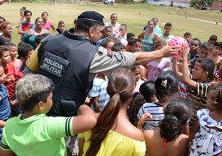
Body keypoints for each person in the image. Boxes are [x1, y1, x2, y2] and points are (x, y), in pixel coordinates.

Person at [25, 11, 178, 118]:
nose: (102, 35)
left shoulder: (48, 41)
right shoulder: (93, 54)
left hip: (33, 110)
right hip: (63, 117)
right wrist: (160, 53)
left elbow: (28, 73)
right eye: (101, 32)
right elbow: (132, 59)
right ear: (92, 31)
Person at [0, 74, 97, 156]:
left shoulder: (9, 125)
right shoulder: (48, 125)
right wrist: (82, 106)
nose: (52, 100)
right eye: (50, 98)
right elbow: (90, 120)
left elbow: (4, 154)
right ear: (41, 105)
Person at [78, 68, 146, 156]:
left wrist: (84, 109)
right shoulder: (137, 137)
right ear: (131, 96)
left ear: (107, 90)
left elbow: (80, 151)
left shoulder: (89, 121)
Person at [181, 45, 215, 128]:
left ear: (205, 73)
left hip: (194, 124)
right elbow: (179, 75)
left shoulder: (207, 87)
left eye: (196, 69)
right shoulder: (195, 79)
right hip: (187, 119)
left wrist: (185, 58)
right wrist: (176, 58)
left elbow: (186, 80)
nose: (192, 70)